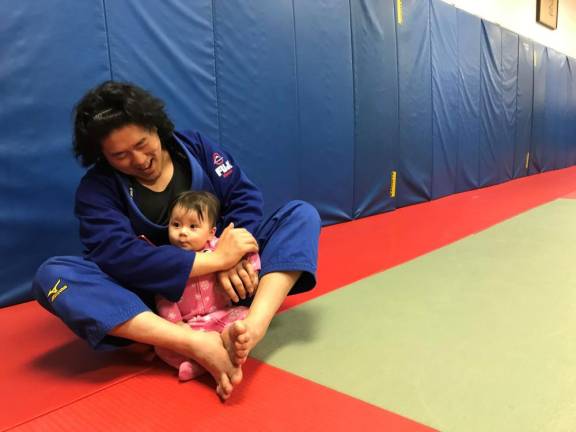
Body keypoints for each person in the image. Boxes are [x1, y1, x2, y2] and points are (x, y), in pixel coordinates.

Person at [33, 81, 321, 400]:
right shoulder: (97, 190)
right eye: (120, 155)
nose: (140, 159)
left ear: (156, 127)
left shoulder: (193, 148)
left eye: (143, 143)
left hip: (228, 289)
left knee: (300, 215)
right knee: (54, 276)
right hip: (157, 303)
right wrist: (214, 261)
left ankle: (251, 328)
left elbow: (243, 197)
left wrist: (234, 255)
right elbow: (119, 256)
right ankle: (191, 342)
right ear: (102, 156)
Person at [154, 190, 260, 382]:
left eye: (193, 226)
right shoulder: (166, 258)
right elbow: (163, 297)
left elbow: (246, 249)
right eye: (176, 225)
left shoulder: (219, 247)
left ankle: (229, 340)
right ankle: (197, 363)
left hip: (221, 314)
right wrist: (178, 325)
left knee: (246, 316)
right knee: (160, 345)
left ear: (211, 232)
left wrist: (252, 269)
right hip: (190, 326)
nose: (183, 232)